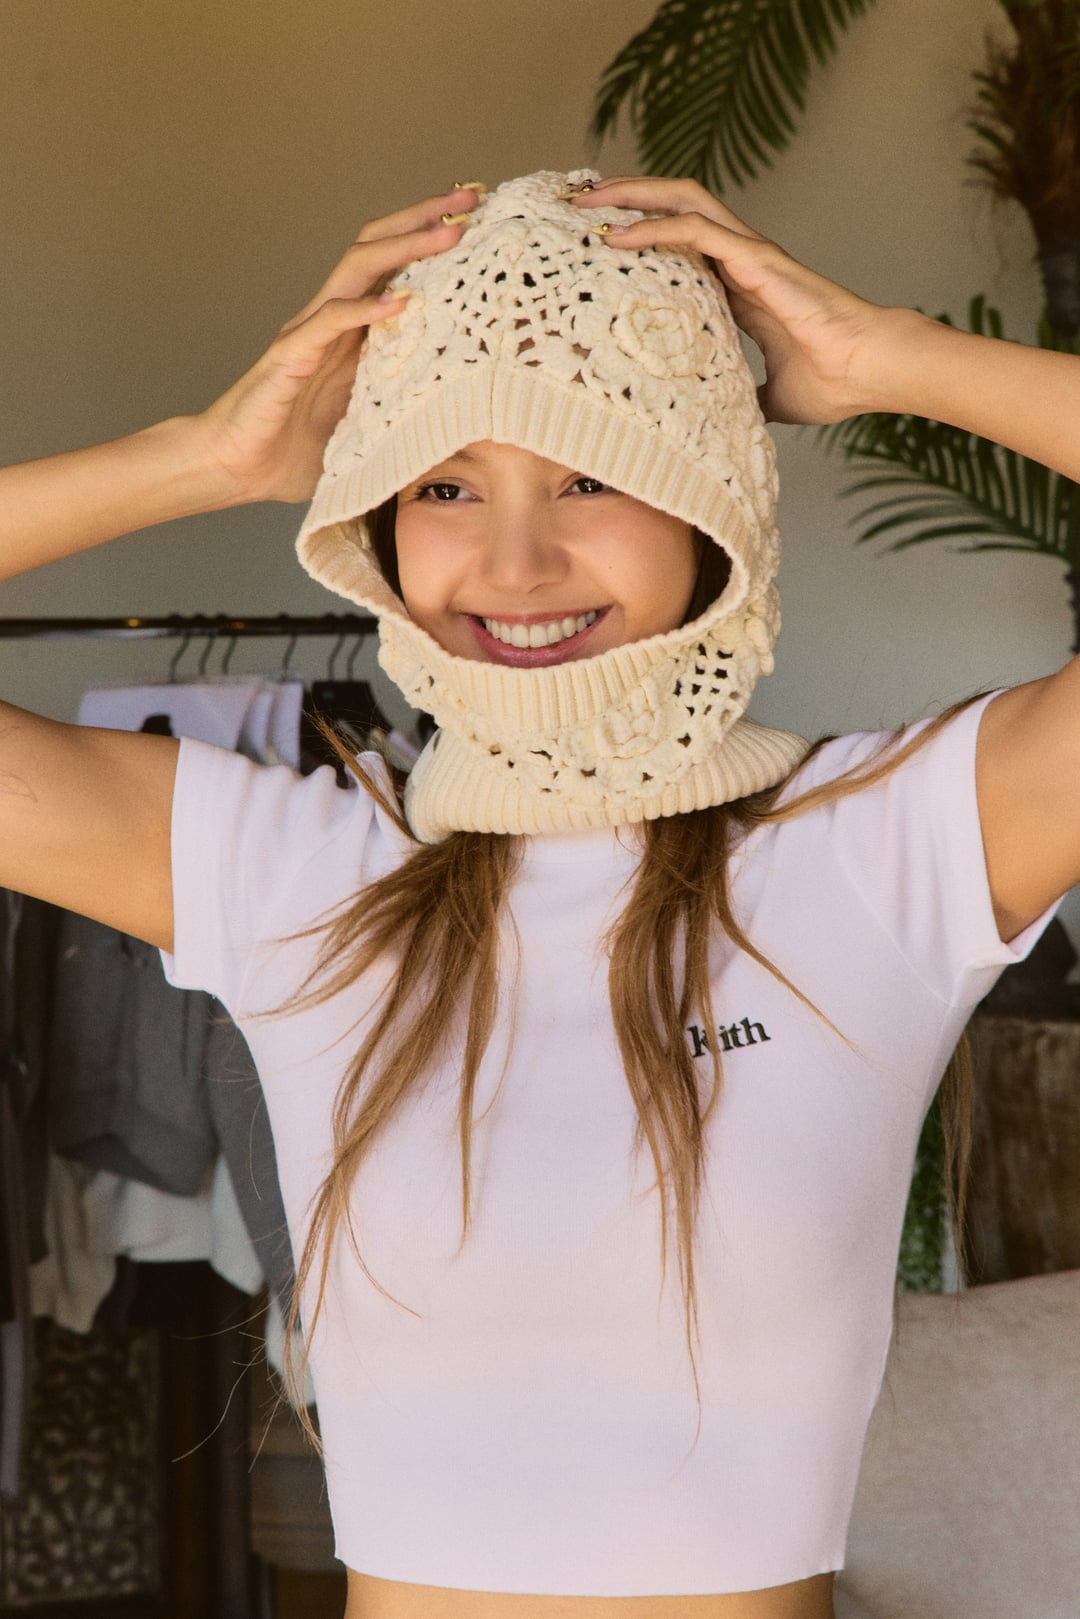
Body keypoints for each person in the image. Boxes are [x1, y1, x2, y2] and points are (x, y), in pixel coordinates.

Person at [1, 167, 1078, 1619]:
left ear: (710, 504)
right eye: (444, 485)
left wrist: (888, 360)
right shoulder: (285, 874)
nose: (515, 564)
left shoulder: (887, 846)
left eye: (594, 473)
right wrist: (207, 455)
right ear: (375, 522)